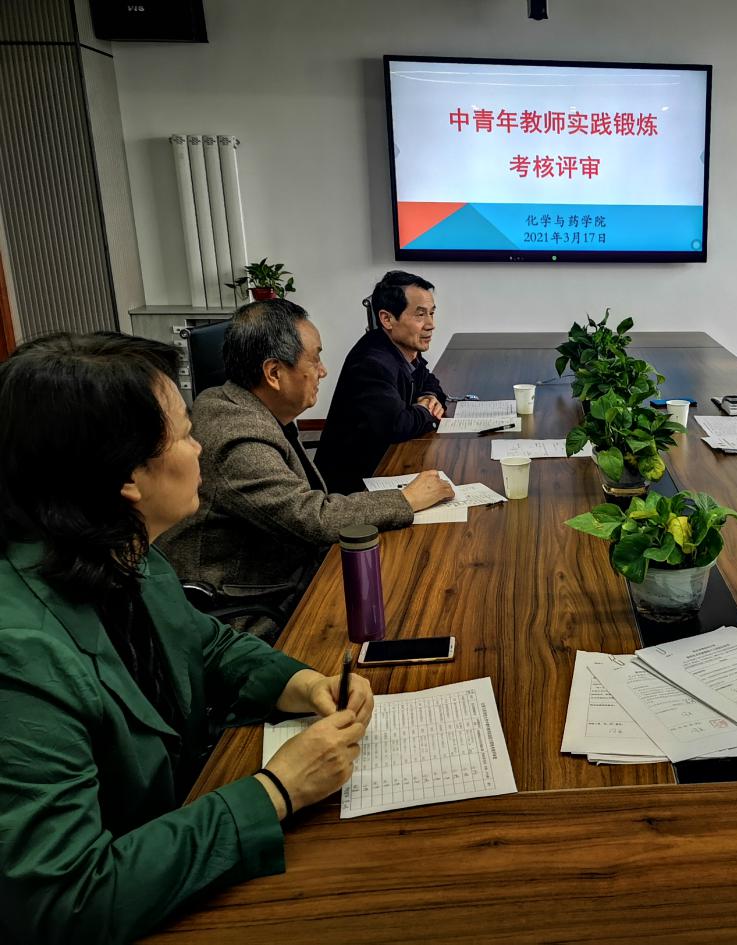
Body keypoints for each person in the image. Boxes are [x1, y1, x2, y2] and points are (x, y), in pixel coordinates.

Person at [0, 332, 375, 943]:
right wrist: (277, 791)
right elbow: (67, 901)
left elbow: (204, 643)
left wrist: (304, 684)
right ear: (127, 477)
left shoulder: (120, 550)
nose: (200, 447)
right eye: (183, 433)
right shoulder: (18, 655)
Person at [157, 299, 453, 633]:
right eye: (315, 359)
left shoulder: (241, 404)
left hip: (284, 567)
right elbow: (312, 518)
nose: (323, 371)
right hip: (251, 607)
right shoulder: (237, 437)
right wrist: (406, 499)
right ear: (273, 373)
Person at [315, 270, 449, 495]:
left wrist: (430, 396)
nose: (430, 324)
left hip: (387, 468)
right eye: (420, 315)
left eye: (432, 314)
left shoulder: (403, 349)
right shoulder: (371, 362)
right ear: (387, 319)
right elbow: (396, 426)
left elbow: (430, 382)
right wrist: (426, 411)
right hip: (354, 491)